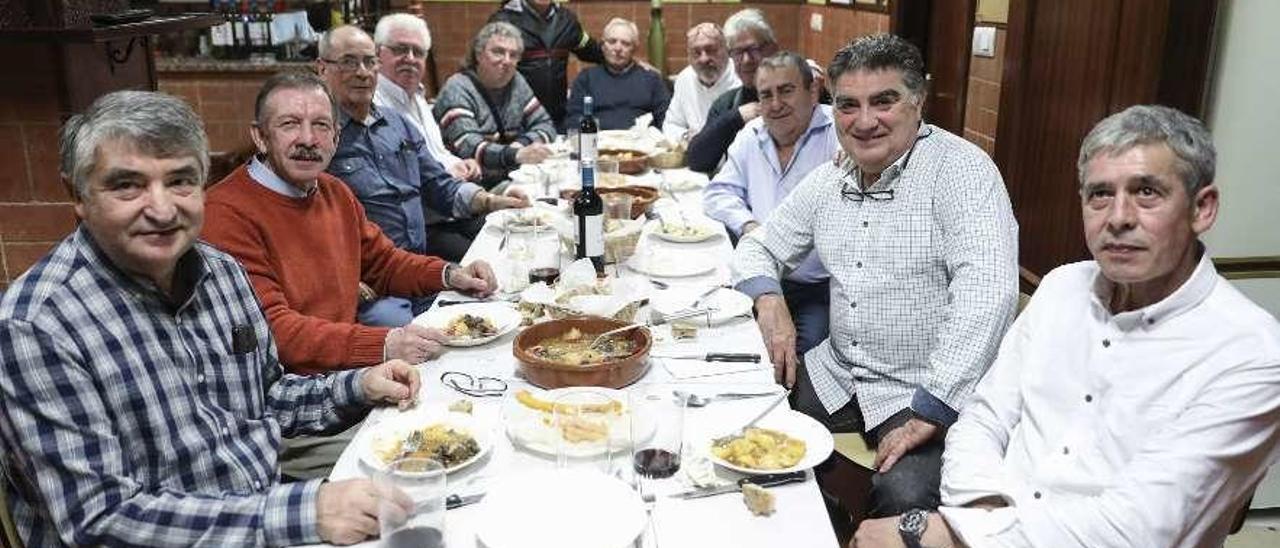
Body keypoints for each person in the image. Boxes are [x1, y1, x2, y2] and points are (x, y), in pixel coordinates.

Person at [0, 90, 420, 546]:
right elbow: (101, 521)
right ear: (77, 196)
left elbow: (266, 398)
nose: (161, 210)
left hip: (259, 516)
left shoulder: (220, 272)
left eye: (180, 181)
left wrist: (358, 385)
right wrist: (303, 512)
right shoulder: (37, 326)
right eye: (127, 186)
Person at [853, 105, 1280, 548]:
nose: (1118, 217)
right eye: (1099, 194)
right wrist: (984, 517)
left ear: (1202, 208)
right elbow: (983, 416)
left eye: (1147, 192)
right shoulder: (1062, 288)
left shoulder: (1250, 354)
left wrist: (944, 535)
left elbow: (1137, 530)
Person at [732, 34, 1018, 517]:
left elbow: (988, 293)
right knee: (749, 425)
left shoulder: (962, 172)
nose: (864, 122)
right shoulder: (830, 179)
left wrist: (936, 403)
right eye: (848, 105)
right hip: (837, 372)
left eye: (883, 102)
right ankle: (811, 518)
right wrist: (769, 299)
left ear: (918, 99)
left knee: (903, 496)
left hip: (924, 388)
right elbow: (757, 247)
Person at [319, 25, 526, 297]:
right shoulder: (318, 134)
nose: (362, 72)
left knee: (504, 282)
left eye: (369, 62)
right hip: (371, 279)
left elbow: (439, 184)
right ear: (322, 69)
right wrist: (342, 277)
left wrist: (491, 201)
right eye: (348, 62)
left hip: (417, 265)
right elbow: (304, 221)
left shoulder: (398, 124)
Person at [704, 51, 836, 357]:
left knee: (800, 363)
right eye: (766, 95)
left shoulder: (837, 133)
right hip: (758, 275)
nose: (775, 105)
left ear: (813, 91)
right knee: (722, 347)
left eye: (786, 91)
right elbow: (717, 192)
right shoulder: (752, 134)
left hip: (816, 287)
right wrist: (749, 225)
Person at [435, 21, 559, 188]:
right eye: (498, 52)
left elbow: (545, 125)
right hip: (468, 187)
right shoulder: (457, 88)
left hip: (509, 179)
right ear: (479, 54)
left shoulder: (517, 82)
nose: (506, 61)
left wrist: (520, 144)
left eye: (513, 55)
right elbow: (470, 147)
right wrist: (517, 155)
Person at [373, 13, 483, 183]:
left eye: (418, 52)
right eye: (400, 49)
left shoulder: (418, 96)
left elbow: (437, 153)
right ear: (378, 53)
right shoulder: (373, 103)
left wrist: (461, 163)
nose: (410, 58)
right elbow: (394, 170)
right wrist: (445, 173)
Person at [684, 8, 778, 174]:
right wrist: (736, 117)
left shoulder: (798, 94)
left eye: (753, 49)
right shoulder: (727, 103)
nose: (746, 60)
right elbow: (696, 161)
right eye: (738, 53)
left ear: (772, 49)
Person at [488, 0, 604, 130]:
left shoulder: (566, 20)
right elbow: (485, 68)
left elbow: (592, 51)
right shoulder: (502, 21)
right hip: (518, 121)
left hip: (557, 119)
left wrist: (616, 50)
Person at [563, 18, 669, 131]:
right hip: (598, 143)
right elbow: (573, 119)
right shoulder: (586, 79)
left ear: (634, 48)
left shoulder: (651, 80)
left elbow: (666, 120)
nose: (618, 48)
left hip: (639, 144)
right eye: (612, 41)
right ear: (603, 46)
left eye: (625, 43)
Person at [662, 22, 740, 142]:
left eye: (711, 50)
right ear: (689, 56)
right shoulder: (685, 78)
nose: (704, 59)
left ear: (727, 50)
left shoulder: (741, 76)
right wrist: (686, 136)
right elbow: (671, 125)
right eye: (696, 53)